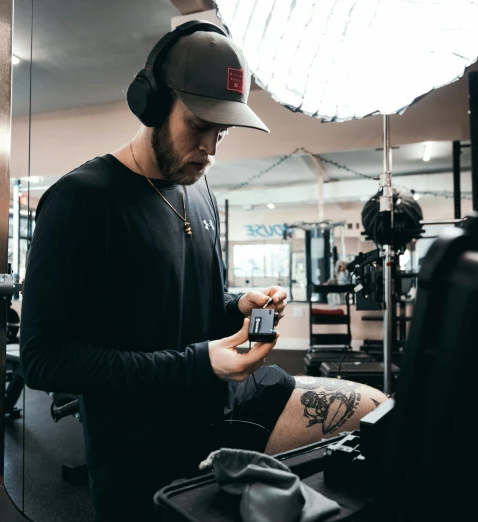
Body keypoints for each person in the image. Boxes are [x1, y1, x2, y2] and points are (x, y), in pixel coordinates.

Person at [20, 21, 387, 522]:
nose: (211, 149)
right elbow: (44, 359)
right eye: (199, 126)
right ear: (151, 102)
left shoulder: (198, 191)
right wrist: (198, 364)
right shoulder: (80, 201)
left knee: (376, 411)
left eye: (223, 132)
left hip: (223, 400)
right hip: (147, 446)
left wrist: (237, 303)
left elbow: (189, 301)